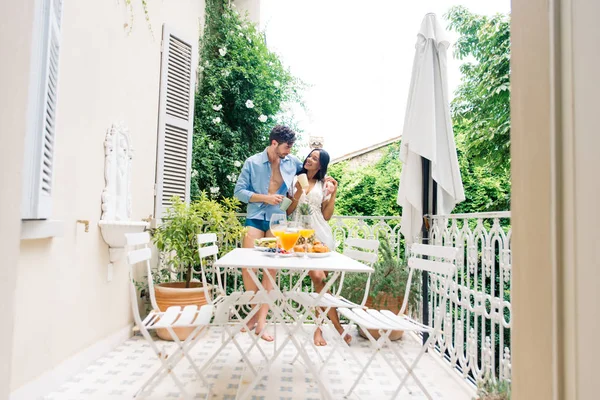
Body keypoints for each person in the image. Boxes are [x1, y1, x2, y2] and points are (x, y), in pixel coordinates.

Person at [234, 125, 303, 341]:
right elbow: (239, 192)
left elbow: (310, 175)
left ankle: (262, 320)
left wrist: (325, 182)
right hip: (254, 217)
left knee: (270, 270)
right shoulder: (252, 162)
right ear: (274, 143)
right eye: (286, 146)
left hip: (278, 221)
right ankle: (253, 313)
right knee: (248, 266)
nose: (288, 151)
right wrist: (265, 198)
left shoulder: (293, 163)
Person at [286, 148, 350, 346]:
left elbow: (327, 215)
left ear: (321, 164)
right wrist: (297, 192)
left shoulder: (324, 185)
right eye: (309, 156)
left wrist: (334, 192)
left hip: (319, 235)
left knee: (319, 279)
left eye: (315, 158)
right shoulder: (294, 179)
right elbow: (286, 210)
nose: (309, 159)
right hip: (297, 235)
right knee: (320, 280)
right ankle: (338, 327)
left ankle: (319, 329)